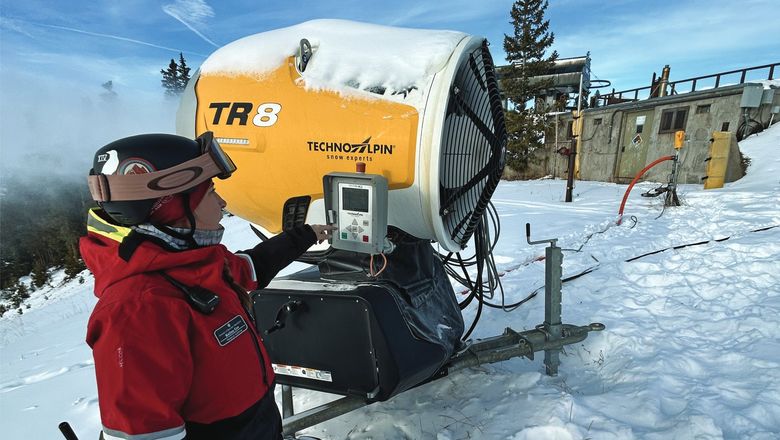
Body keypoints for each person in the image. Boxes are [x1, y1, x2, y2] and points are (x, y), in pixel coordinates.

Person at [80, 132, 332, 440]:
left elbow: (250, 267)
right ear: (170, 206)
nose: (222, 203)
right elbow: (144, 431)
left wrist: (306, 235)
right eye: (210, 192)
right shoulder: (138, 308)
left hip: (259, 423)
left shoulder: (194, 263)